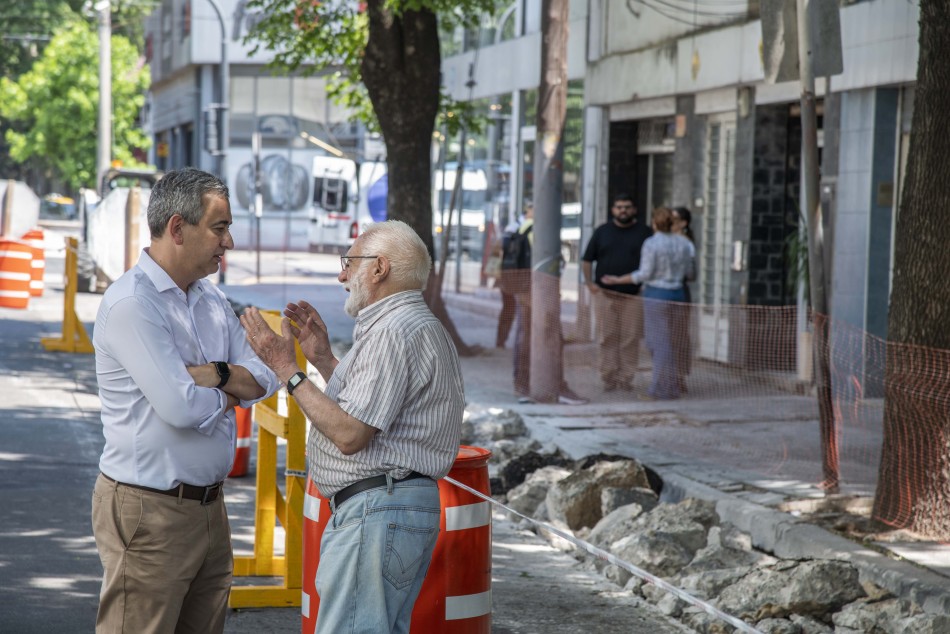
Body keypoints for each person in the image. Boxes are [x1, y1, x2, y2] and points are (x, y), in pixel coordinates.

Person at [240, 220, 464, 634]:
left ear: (379, 268)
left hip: (379, 510)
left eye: (349, 263)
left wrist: (287, 368)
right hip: (386, 508)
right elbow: (376, 407)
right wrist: (324, 360)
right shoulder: (407, 325)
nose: (342, 275)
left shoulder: (395, 330)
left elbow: (350, 434)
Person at [91, 168, 279, 633]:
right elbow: (179, 409)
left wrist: (214, 375)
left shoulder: (210, 300)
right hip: (149, 511)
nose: (229, 242)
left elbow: (266, 376)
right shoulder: (134, 304)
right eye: (220, 227)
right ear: (178, 228)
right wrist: (231, 393)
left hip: (210, 510)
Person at [602, 207, 695, 400]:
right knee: (673, 341)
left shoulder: (652, 243)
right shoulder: (685, 244)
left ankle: (659, 389)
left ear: (655, 223)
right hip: (678, 292)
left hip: (656, 293)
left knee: (658, 343)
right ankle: (672, 384)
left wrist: (618, 280)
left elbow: (644, 274)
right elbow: (691, 274)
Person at [511, 203, 588, 405]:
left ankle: (524, 384)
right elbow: (547, 262)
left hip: (524, 289)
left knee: (526, 335)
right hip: (535, 291)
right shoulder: (537, 230)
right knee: (548, 335)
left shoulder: (519, 228)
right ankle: (552, 384)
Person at [581, 193, 653, 392]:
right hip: (604, 294)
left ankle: (625, 378)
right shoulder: (602, 232)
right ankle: (608, 377)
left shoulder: (645, 233)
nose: (623, 210)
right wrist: (589, 283)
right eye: (619, 207)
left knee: (630, 338)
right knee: (607, 336)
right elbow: (587, 260)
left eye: (627, 207)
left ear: (634, 210)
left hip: (633, 295)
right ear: (613, 210)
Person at [671, 207, 695, 393]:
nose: (670, 222)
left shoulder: (685, 243)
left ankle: (679, 376)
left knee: (678, 336)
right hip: (662, 291)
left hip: (678, 290)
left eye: (675, 219)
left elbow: (691, 273)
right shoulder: (662, 239)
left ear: (683, 223)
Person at [493, 210, 522, 347]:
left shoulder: (512, 228)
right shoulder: (518, 229)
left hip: (508, 276)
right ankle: (502, 340)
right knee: (510, 308)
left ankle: (501, 340)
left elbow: (497, 250)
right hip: (512, 276)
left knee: (509, 308)